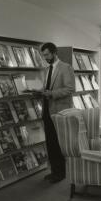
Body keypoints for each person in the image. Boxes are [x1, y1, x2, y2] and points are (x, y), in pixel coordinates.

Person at [40, 42, 75, 183]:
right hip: (47, 110)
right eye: (43, 55)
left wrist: (52, 94)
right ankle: (54, 170)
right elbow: (47, 87)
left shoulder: (65, 68)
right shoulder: (46, 70)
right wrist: (41, 92)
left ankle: (61, 173)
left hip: (60, 111)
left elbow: (70, 88)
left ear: (54, 53)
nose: (45, 57)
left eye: (47, 54)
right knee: (50, 142)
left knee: (58, 142)